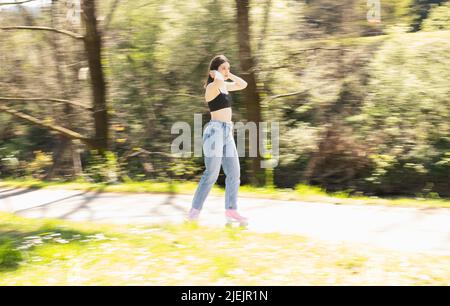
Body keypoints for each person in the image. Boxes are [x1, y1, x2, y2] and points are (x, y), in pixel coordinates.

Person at [186, 54, 248, 226]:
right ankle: (193, 212)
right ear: (214, 71)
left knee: (234, 174)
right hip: (215, 131)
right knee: (211, 174)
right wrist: (216, 73)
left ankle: (231, 210)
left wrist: (229, 74)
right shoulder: (212, 87)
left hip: (227, 132)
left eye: (228, 67)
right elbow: (219, 81)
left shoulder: (224, 86)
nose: (227, 71)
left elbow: (243, 85)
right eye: (223, 68)